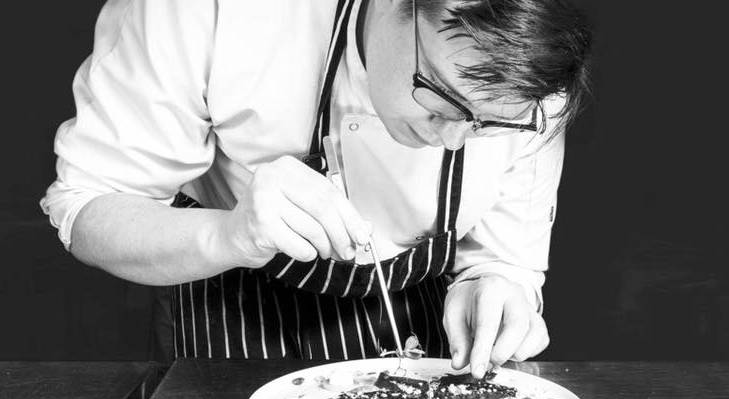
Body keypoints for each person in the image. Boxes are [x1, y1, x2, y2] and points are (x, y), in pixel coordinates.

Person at [41, 0, 592, 377]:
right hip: (235, 314)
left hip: (424, 329)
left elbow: (506, 260)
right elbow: (88, 209)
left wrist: (494, 284)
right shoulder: (210, 10)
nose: (452, 139)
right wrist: (231, 233)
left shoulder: (539, 87)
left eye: (490, 123)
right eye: (439, 95)